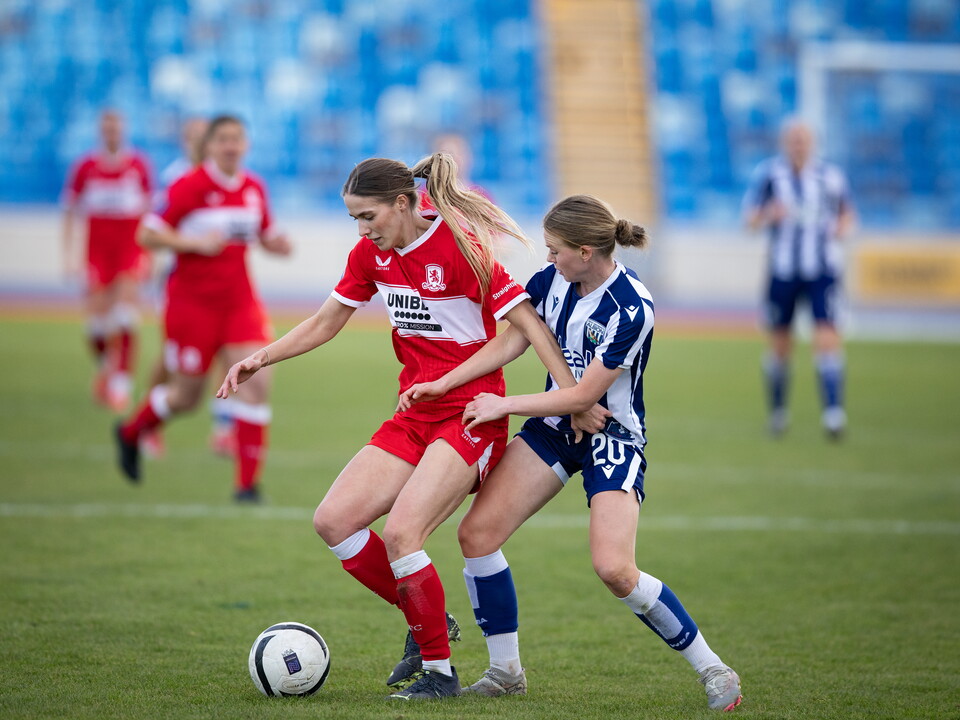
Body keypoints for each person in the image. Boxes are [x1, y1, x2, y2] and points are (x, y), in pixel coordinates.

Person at [216, 154, 584, 701]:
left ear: (404, 203)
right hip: (414, 412)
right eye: (355, 220)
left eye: (369, 217)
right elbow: (326, 321)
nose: (362, 231)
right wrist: (260, 357)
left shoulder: (462, 248)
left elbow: (527, 325)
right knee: (334, 521)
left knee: (401, 534)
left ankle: (440, 673)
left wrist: (571, 399)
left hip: (471, 414)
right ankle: (427, 621)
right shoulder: (371, 255)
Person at [398, 195, 744, 712]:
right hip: (554, 430)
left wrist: (503, 404)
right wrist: (446, 381)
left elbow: (585, 397)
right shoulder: (552, 281)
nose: (547, 258)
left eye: (555, 249)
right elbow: (514, 341)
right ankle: (505, 673)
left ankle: (713, 668)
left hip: (613, 437)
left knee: (615, 569)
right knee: (477, 534)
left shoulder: (632, 308)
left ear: (586, 252)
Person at [113, 115, 292, 503]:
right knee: (186, 397)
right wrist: (194, 244)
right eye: (223, 139)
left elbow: (264, 233)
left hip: (240, 303)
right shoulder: (188, 185)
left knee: (256, 382)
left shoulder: (254, 188)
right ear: (209, 146)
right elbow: (146, 234)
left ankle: (247, 487)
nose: (231, 146)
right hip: (192, 306)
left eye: (237, 138)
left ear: (246, 145)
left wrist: (278, 245)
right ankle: (130, 432)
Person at [742, 118, 856, 438]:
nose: (798, 145)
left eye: (803, 139)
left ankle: (833, 414)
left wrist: (842, 228)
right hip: (783, 271)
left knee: (827, 336)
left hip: (822, 271)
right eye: (793, 139)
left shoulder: (830, 176)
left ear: (813, 143)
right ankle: (778, 413)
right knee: (780, 342)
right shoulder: (769, 175)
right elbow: (749, 219)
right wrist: (769, 215)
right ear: (784, 143)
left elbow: (848, 215)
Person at [62, 110, 153, 412]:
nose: (112, 132)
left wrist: (149, 256)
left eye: (116, 127)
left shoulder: (138, 166)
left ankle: (120, 387)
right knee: (95, 327)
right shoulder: (85, 167)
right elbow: (70, 211)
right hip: (97, 253)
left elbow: (151, 214)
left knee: (125, 315)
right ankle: (107, 368)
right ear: (100, 131)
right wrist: (68, 256)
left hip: (129, 251)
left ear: (124, 130)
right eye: (107, 127)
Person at [141, 116, 210, 459]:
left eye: (205, 136)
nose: (200, 142)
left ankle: (226, 427)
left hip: (217, 284)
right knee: (172, 358)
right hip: (180, 279)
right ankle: (147, 424)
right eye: (194, 136)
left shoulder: (224, 177)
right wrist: (194, 244)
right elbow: (153, 230)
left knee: (231, 350)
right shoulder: (176, 178)